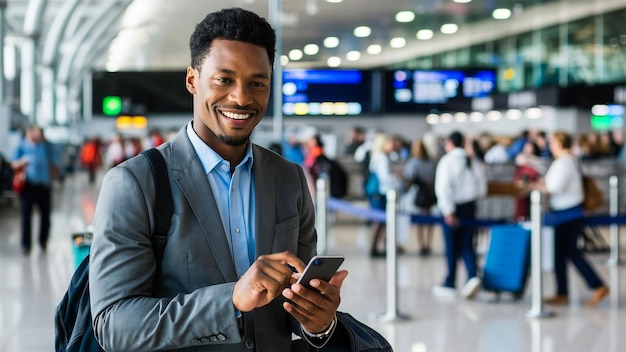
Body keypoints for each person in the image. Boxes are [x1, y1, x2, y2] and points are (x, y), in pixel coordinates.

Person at [89, 8, 348, 351]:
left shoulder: (289, 179)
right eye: (224, 79)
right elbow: (113, 325)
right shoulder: (135, 183)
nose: (242, 98)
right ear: (192, 80)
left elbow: (291, 310)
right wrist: (230, 300)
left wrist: (318, 320)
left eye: (257, 83)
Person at [531, 131, 609, 307]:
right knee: (562, 254)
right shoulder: (569, 161)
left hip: (567, 214)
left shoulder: (564, 162)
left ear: (559, 143)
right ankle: (562, 292)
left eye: (552, 142)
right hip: (565, 213)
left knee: (570, 252)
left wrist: (540, 187)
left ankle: (597, 285)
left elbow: (554, 187)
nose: (550, 146)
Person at [433, 131, 487, 299]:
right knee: (467, 244)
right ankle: (472, 276)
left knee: (451, 245)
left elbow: (443, 188)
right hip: (470, 207)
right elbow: (482, 189)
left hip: (453, 208)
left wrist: (448, 210)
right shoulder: (473, 161)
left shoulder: (447, 161)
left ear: (449, 143)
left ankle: (451, 280)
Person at [10, 124, 59, 255]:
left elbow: (54, 162)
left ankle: (43, 241)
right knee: (26, 216)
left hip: (43, 185)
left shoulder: (44, 146)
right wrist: (22, 162)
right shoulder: (22, 146)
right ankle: (26, 245)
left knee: (46, 215)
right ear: (29, 132)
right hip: (28, 186)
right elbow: (13, 163)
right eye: (34, 132)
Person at [402, 138, 437, 256]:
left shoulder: (413, 162)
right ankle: (428, 244)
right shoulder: (431, 162)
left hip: (419, 193)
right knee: (429, 219)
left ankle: (422, 244)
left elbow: (409, 177)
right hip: (429, 193)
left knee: (420, 221)